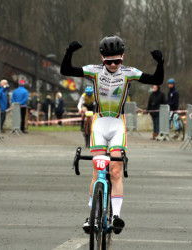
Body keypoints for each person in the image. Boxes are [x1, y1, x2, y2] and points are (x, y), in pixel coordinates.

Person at [60, 35, 164, 235]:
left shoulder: (128, 73)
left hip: (117, 124)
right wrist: (69, 52)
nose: (114, 65)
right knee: (97, 171)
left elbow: (156, 79)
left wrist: (160, 63)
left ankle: (116, 216)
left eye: (118, 60)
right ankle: (92, 215)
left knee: (115, 170)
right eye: (109, 61)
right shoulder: (94, 71)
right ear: (102, 59)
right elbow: (66, 70)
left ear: (123, 57)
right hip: (99, 123)